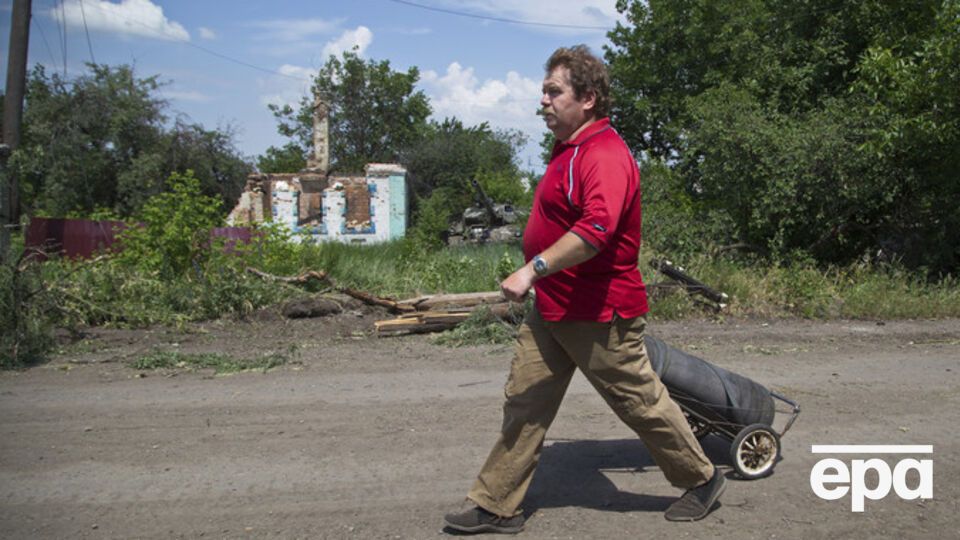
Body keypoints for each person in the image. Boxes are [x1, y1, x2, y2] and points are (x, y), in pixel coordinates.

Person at [443, 45, 725, 535]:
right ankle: (497, 504)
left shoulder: (605, 155)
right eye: (544, 92)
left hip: (600, 310)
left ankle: (701, 479)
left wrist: (532, 269)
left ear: (588, 98)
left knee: (638, 401)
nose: (544, 101)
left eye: (554, 92)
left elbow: (597, 230)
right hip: (555, 304)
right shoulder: (568, 150)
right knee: (526, 399)